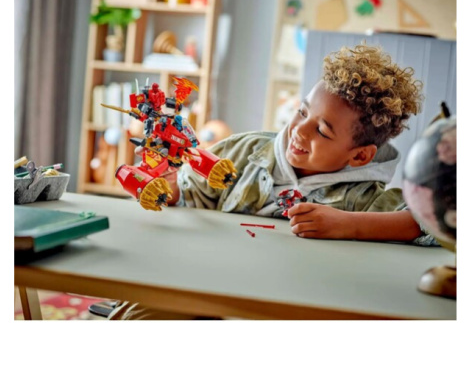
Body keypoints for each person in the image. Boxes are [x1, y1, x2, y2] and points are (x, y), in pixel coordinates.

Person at [106, 44, 437, 320]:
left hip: (287, 308)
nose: (299, 130)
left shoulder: (364, 199)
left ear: (361, 156)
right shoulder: (241, 151)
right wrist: (173, 191)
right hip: (208, 285)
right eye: (302, 112)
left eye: (322, 131)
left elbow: (436, 224)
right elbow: (192, 195)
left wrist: (349, 225)